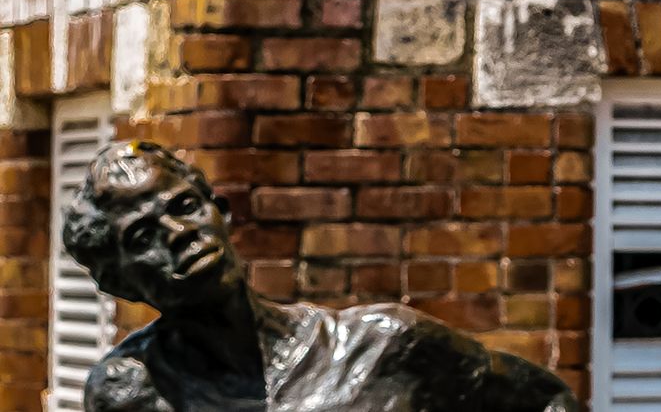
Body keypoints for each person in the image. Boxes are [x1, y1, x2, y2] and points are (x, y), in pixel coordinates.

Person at [61, 141, 581, 412]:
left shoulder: (383, 347)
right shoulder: (131, 390)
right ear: (119, 284)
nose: (177, 232)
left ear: (222, 212)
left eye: (186, 206)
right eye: (140, 237)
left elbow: (543, 401)